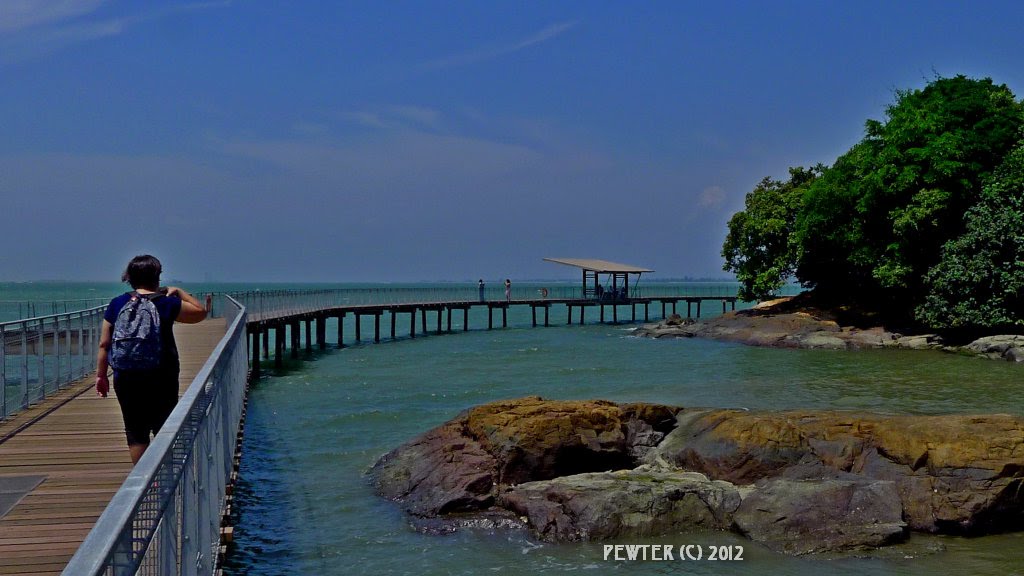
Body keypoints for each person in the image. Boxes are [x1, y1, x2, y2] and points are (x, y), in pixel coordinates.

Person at [95, 255, 208, 464]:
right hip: (162, 375)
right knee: (163, 426)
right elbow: (200, 313)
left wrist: (101, 375)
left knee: (135, 430)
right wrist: (180, 292)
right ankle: (163, 475)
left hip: (126, 376)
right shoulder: (166, 303)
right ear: (157, 276)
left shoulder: (117, 303)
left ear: (130, 278)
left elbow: (104, 344)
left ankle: (144, 480)